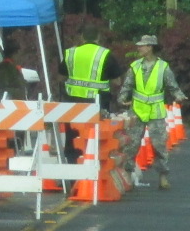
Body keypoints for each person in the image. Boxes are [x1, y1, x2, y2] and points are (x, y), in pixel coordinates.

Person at [118, 34, 187, 190]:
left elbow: (172, 86)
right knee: (131, 144)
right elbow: (127, 85)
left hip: (155, 111)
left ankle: (163, 176)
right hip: (137, 110)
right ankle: (128, 175)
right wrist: (122, 98)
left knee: (159, 145)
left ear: (150, 47)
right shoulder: (135, 66)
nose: (139, 48)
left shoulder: (163, 67)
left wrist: (179, 96)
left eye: (142, 45)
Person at [58, 23, 123, 163]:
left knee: (73, 134)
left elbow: (61, 77)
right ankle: (94, 162)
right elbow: (117, 81)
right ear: (98, 37)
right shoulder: (105, 54)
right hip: (97, 102)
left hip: (73, 101)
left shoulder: (71, 53)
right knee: (95, 134)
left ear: (82, 37)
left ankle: (73, 163)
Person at [0, 37, 26, 106]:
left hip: (15, 104)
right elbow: (2, 89)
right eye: (20, 53)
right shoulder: (5, 68)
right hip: (7, 105)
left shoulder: (12, 67)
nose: (21, 57)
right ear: (15, 53)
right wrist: (19, 91)